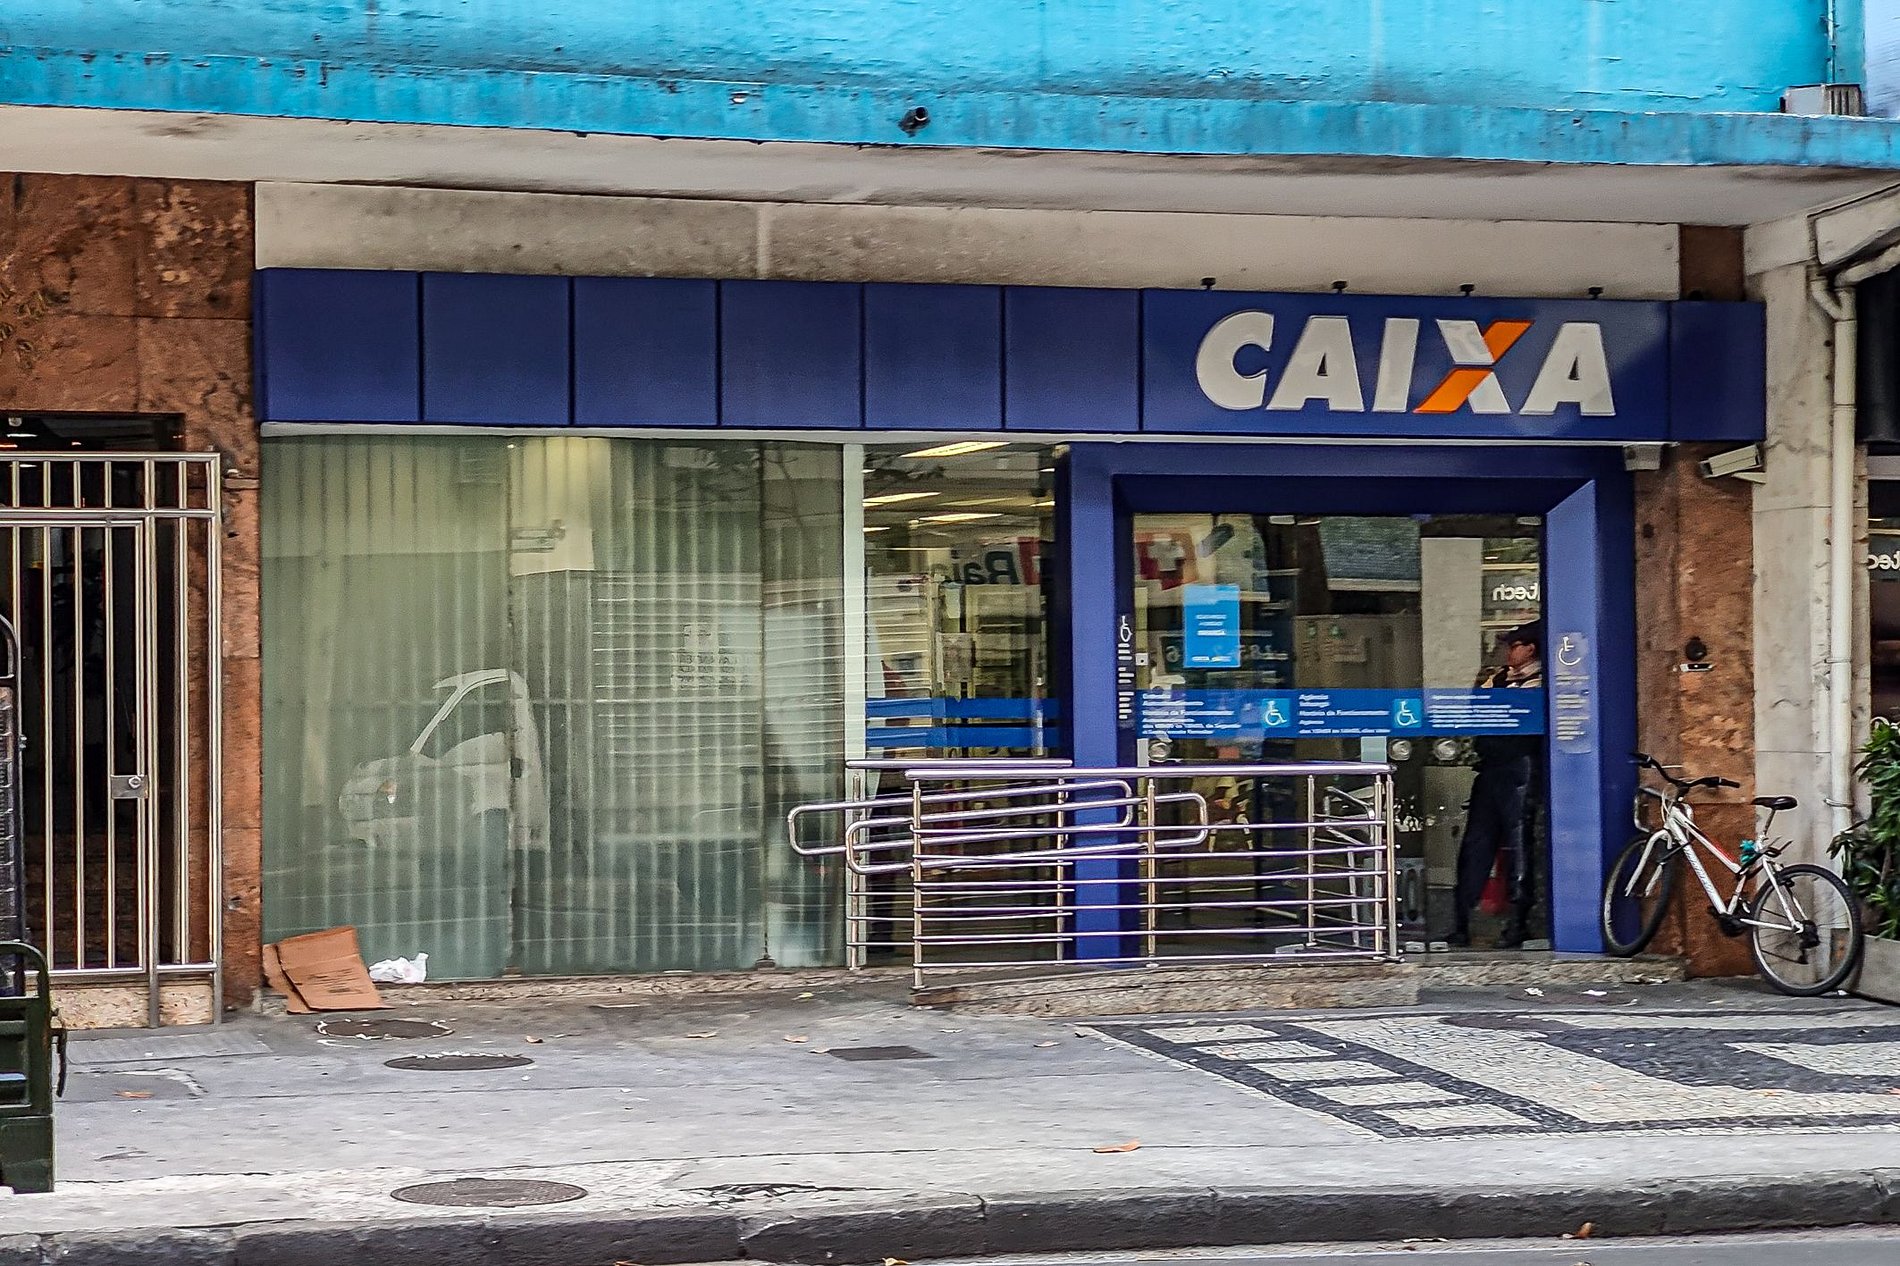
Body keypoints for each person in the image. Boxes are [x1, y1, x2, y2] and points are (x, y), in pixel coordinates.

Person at [1447, 622, 1544, 948]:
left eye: (1513, 646)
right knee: (1476, 844)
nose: (1507, 652)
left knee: (1518, 843)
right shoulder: (1499, 678)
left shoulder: (1542, 681)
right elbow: (1477, 708)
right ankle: (1462, 920)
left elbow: (1522, 718)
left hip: (1520, 769)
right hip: (1491, 767)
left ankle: (1517, 922)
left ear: (1530, 649)